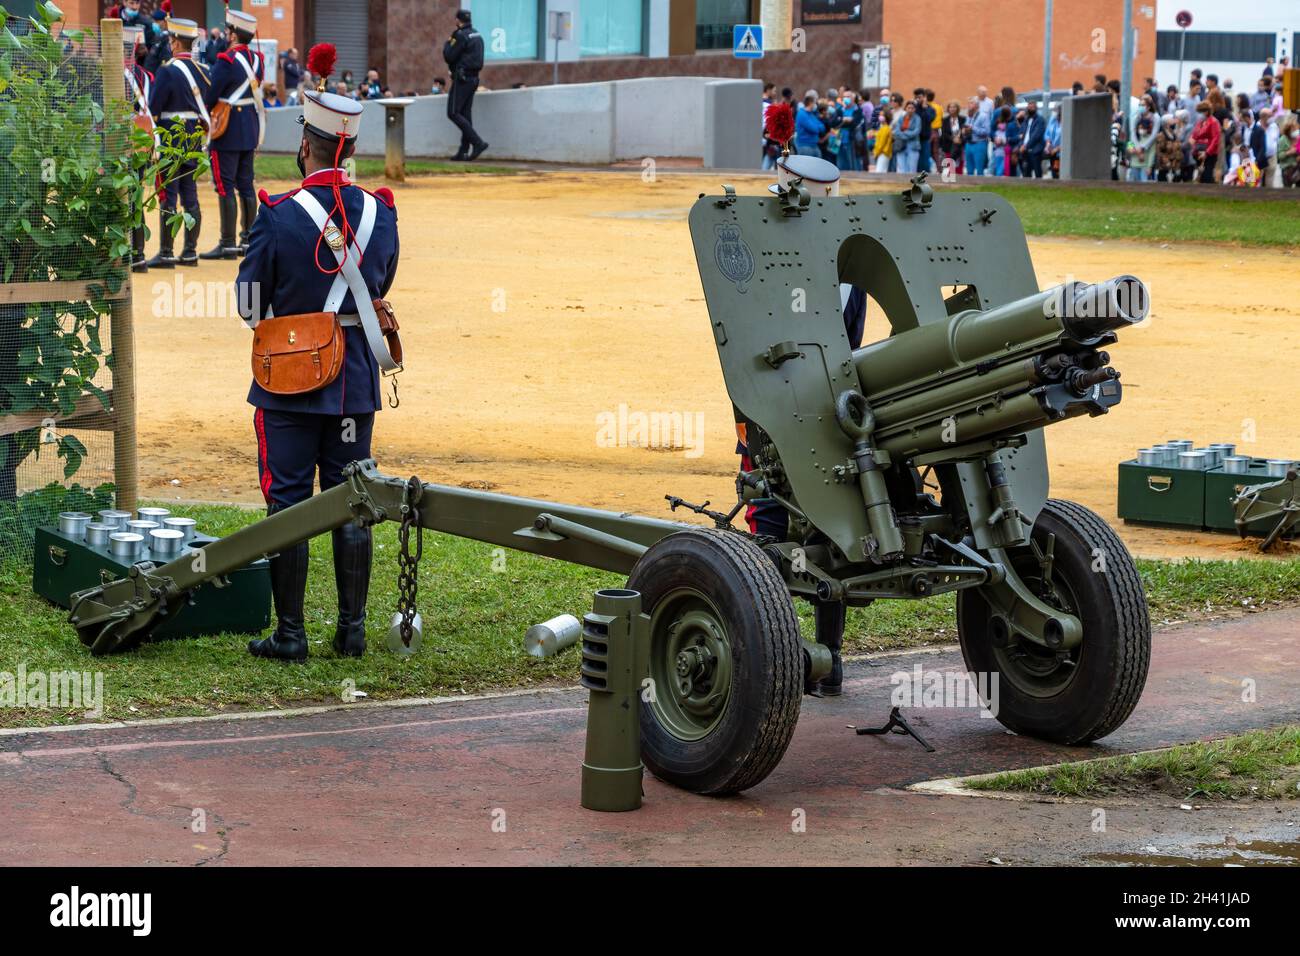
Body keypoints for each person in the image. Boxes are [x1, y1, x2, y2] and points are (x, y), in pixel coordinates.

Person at [236, 50, 401, 663]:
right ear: (346, 151)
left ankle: (291, 635)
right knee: (351, 499)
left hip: (288, 385)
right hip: (354, 384)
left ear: (305, 146)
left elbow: (250, 306)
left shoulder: (276, 217)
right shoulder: (381, 215)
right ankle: (351, 630)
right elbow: (380, 282)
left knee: (287, 502)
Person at [201, 7, 265, 259]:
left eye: (229, 31)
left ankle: (227, 243)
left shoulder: (226, 61)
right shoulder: (258, 60)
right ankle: (248, 240)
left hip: (227, 129)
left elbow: (211, 95)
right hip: (249, 126)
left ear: (234, 35)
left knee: (225, 184)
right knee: (246, 184)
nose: (227, 35)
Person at [145, 16, 208, 269]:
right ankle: (190, 251)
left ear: (174, 42)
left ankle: (167, 252)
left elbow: (154, 108)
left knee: (169, 195)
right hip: (193, 137)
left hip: (171, 137)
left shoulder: (167, 70)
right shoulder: (203, 71)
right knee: (190, 194)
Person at [122, 24, 153, 272]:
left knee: (122, 199)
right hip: (142, 141)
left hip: (120, 142)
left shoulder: (114, 73)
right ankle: (138, 254)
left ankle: (125, 254)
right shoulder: (146, 75)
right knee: (136, 198)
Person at [443, 9, 487, 161]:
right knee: (465, 115)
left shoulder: (460, 35)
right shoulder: (477, 34)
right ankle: (463, 150)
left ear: (458, 20)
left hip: (462, 78)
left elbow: (449, 56)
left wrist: (448, 43)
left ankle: (478, 142)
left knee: (453, 112)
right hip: (474, 79)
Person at [1190, 100, 1221, 183]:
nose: (1199, 114)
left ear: (1207, 111)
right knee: (1202, 177)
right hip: (1199, 152)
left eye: (1201, 112)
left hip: (1210, 153)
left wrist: (1206, 153)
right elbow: (1195, 135)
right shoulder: (1201, 122)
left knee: (1207, 176)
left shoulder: (1214, 122)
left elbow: (1215, 139)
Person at [1017, 100, 1046, 177]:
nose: (1031, 108)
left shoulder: (1040, 120)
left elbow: (1036, 136)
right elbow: (1021, 134)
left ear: (1036, 108)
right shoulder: (1026, 120)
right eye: (1029, 107)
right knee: (1026, 173)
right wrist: (1021, 145)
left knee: (1037, 173)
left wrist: (1026, 146)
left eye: (1033, 107)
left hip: (1035, 150)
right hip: (1025, 151)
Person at [892, 99, 921, 172]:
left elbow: (916, 132)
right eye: (909, 108)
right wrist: (906, 134)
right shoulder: (901, 118)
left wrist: (904, 132)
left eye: (912, 108)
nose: (910, 110)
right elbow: (897, 131)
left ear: (915, 109)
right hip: (901, 145)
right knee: (901, 168)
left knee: (912, 169)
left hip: (913, 146)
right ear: (905, 108)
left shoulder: (917, 119)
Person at [963, 97, 989, 175]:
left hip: (979, 143)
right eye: (969, 103)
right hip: (968, 143)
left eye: (971, 103)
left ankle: (981, 186)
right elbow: (967, 127)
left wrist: (973, 129)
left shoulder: (983, 116)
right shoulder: (968, 116)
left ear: (977, 105)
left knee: (979, 169)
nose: (969, 105)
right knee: (969, 169)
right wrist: (964, 131)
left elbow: (987, 131)